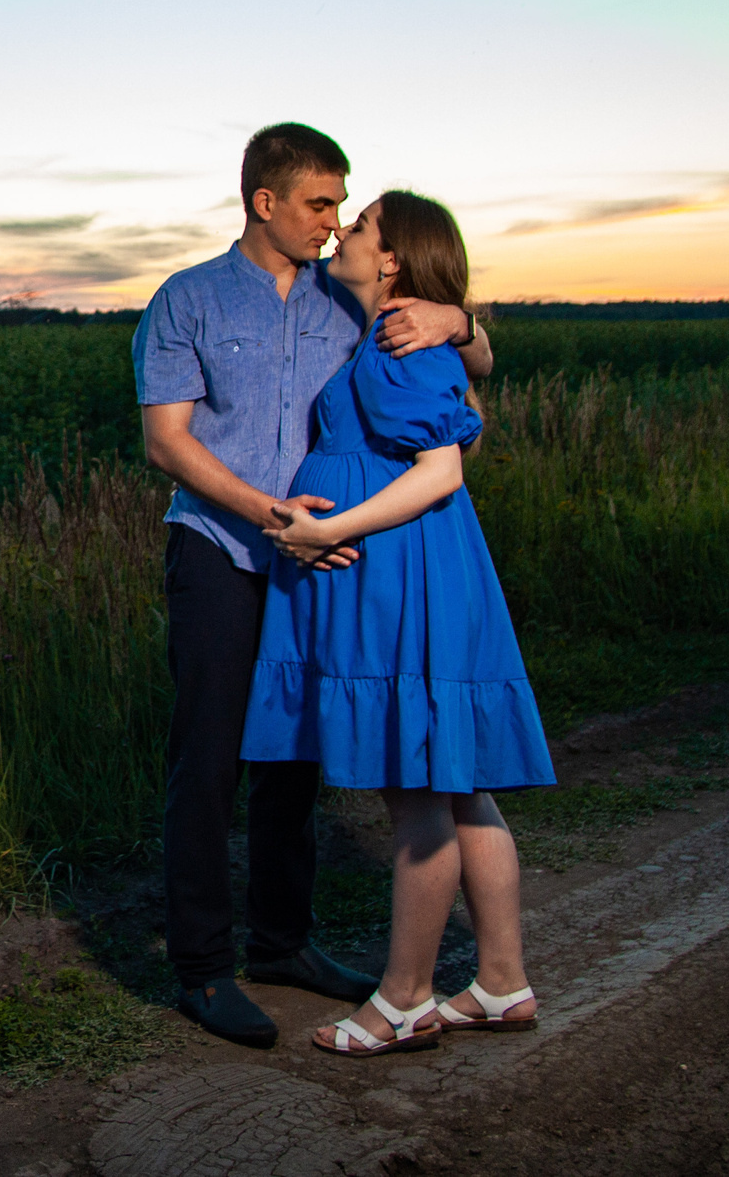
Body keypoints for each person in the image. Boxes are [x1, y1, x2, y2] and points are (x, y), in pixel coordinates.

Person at [132, 125, 492, 1049]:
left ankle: (283, 942)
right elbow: (166, 441)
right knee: (208, 759)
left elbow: (459, 356)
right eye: (319, 205)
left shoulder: (345, 301)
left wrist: (459, 321)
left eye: (343, 206)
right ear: (265, 203)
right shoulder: (188, 300)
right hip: (222, 544)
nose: (335, 225)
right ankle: (205, 970)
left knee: (294, 756)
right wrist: (268, 513)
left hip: (320, 559)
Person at [244, 190, 555, 1056]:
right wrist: (463, 319)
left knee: (418, 792)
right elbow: (471, 368)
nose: (343, 229)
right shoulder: (406, 326)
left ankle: (406, 998)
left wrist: (327, 529)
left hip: (404, 573)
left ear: (391, 260)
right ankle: (501, 982)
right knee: (459, 787)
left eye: (363, 222)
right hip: (420, 567)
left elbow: (442, 470)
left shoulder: (397, 338)